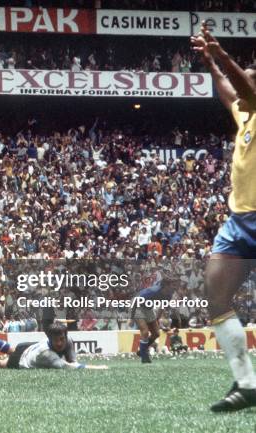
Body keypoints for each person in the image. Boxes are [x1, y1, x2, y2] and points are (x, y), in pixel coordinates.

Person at [191, 22, 256, 412]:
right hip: (239, 222)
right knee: (216, 296)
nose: (243, 87)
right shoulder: (246, 117)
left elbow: (243, 87)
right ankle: (248, 383)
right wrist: (209, 64)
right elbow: (230, 92)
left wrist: (221, 55)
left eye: (250, 82)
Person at [0, 323, 107, 370]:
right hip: (25, 358)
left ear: (65, 336)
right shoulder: (48, 355)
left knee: (8, 348)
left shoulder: (68, 340)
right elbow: (71, 367)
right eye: (56, 340)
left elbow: (73, 359)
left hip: (27, 347)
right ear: (49, 339)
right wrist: (98, 367)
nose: (60, 343)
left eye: (62, 339)